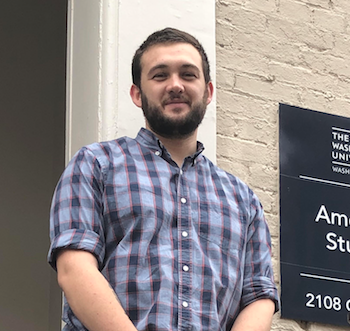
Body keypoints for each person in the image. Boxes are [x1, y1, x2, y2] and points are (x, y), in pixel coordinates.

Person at [48, 27, 279, 331]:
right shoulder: (95, 165)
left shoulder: (242, 198)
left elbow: (258, 296)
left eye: (188, 74)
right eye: (159, 75)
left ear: (208, 92)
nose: (175, 85)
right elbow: (73, 269)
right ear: (137, 94)